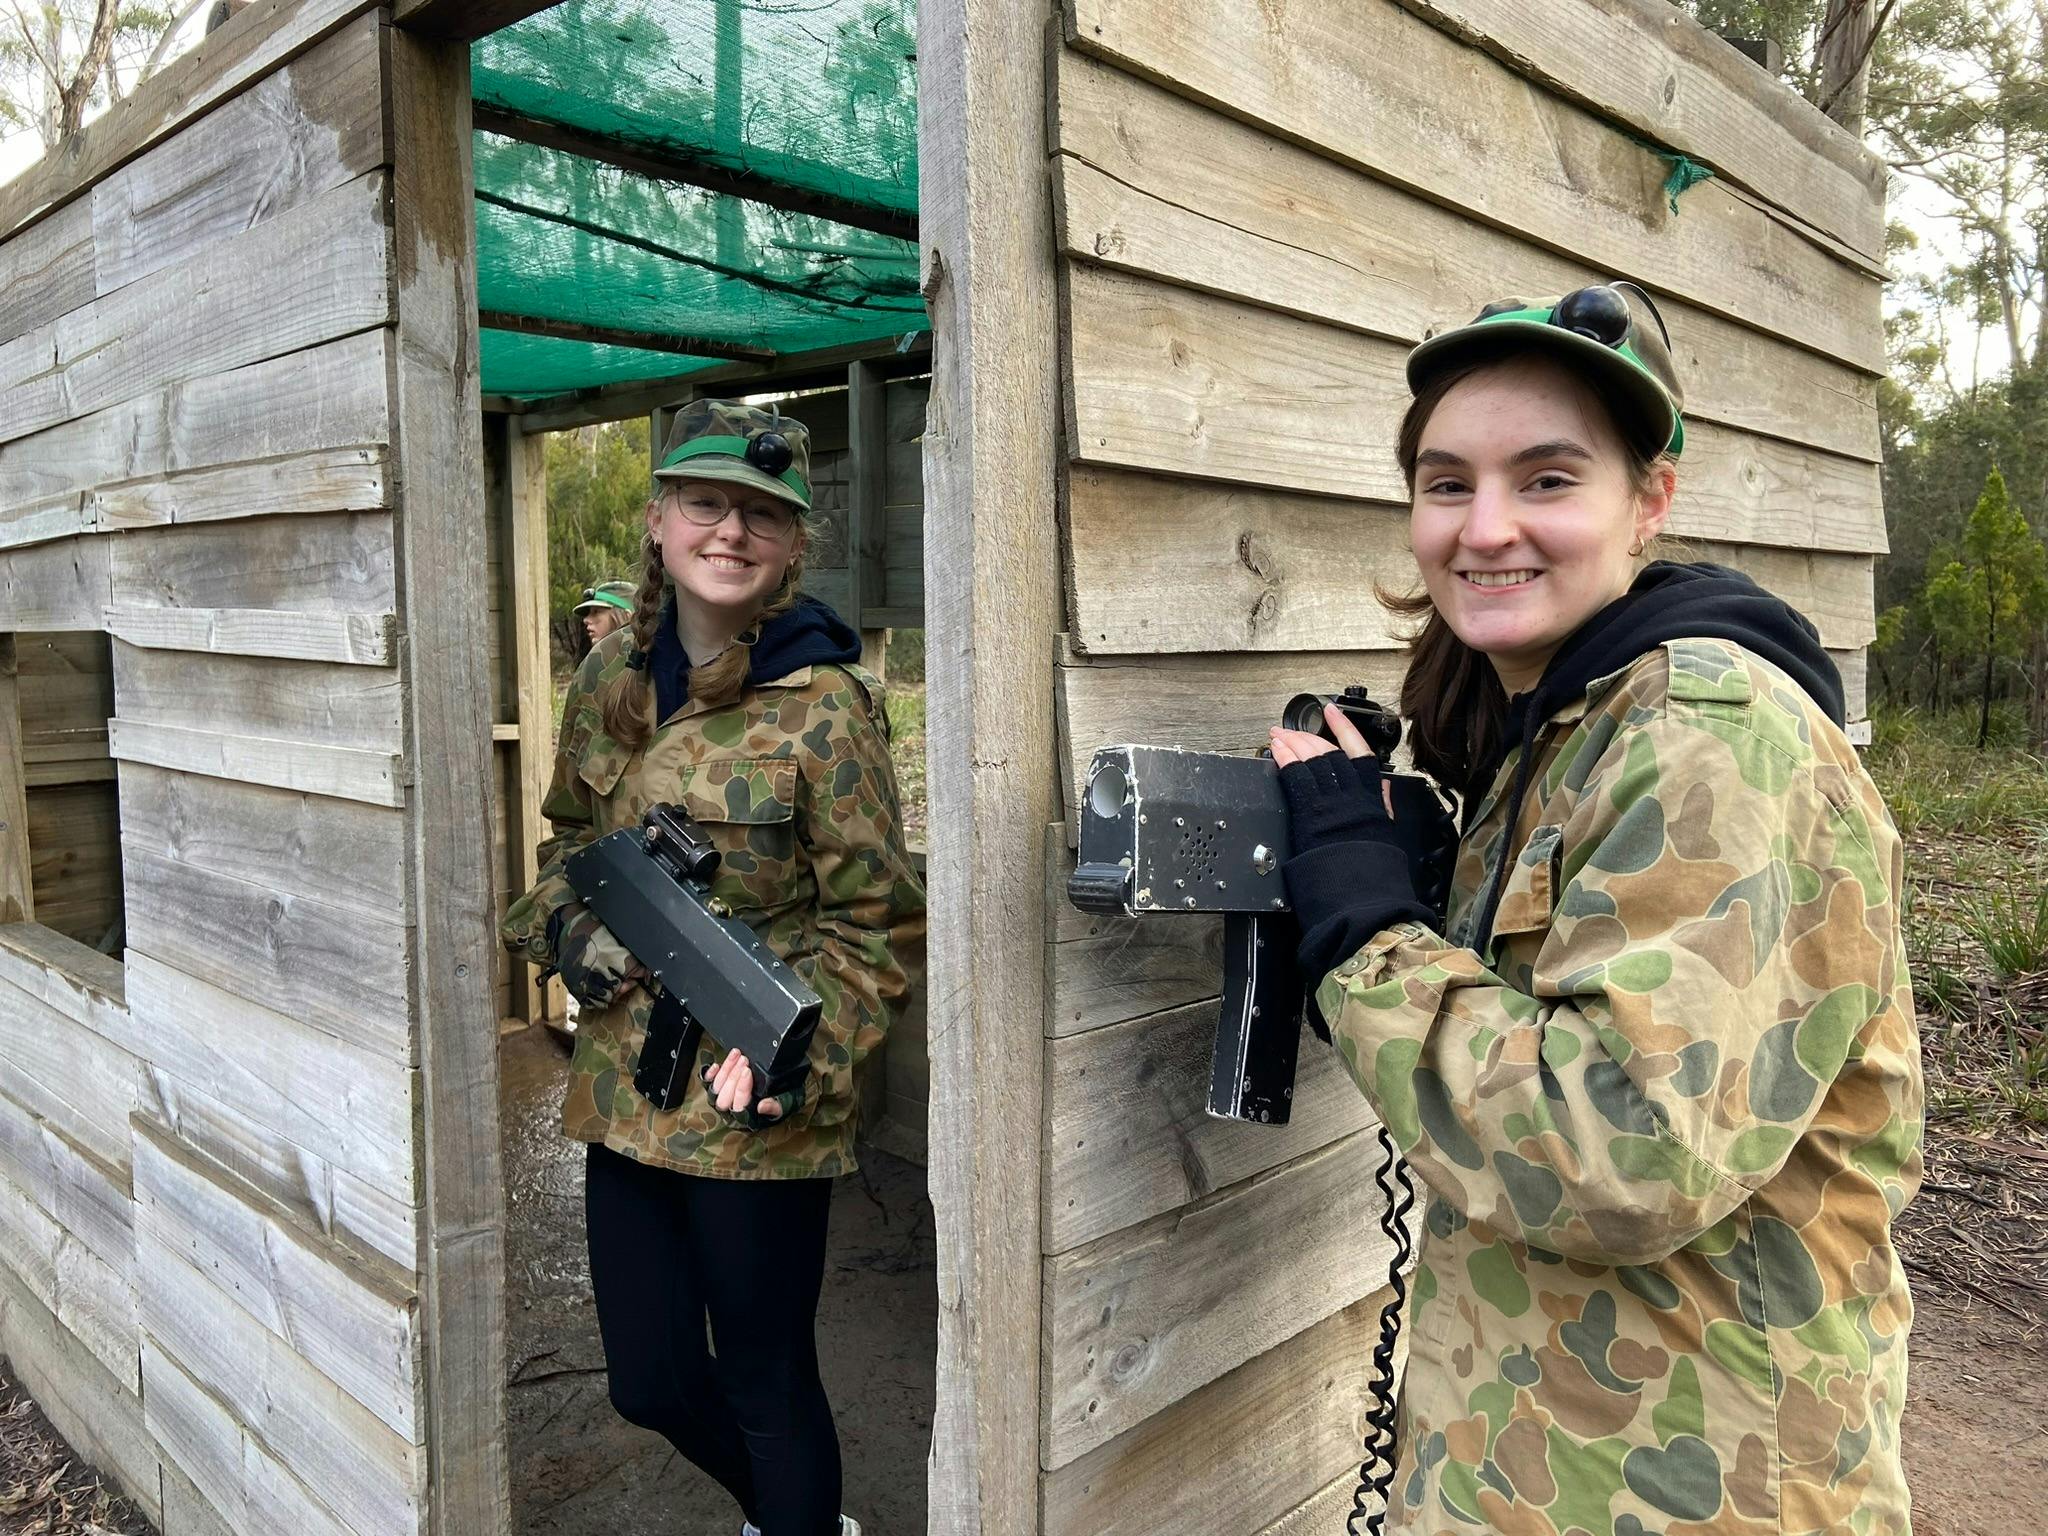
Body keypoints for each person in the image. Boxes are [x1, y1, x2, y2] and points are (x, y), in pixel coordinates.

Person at [1266, 285, 1922, 1535]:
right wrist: (1414, 876)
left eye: (1548, 479)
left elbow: (1617, 1153)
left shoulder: (1706, 738)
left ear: (1650, 501)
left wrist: (1362, 928)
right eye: (1446, 483)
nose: (1486, 526)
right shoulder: (1570, 730)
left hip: (1689, 1487)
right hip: (1537, 1463)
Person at [501, 399, 925, 1536]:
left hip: (757, 1104)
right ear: (657, 523)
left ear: (792, 544)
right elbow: (561, 848)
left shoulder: (823, 705)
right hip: (625, 1094)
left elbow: (878, 922)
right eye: (704, 504)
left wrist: (801, 1054)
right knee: (646, 1381)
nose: (728, 531)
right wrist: (570, 931)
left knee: (766, 1378)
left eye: (760, 515)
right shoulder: (608, 683)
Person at [573, 579, 634, 653]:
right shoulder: (593, 662)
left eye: (596, 612)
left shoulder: (646, 660)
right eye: (588, 613)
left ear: (627, 617)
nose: (585, 620)